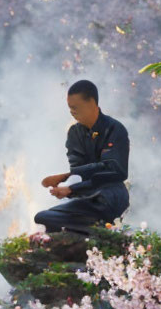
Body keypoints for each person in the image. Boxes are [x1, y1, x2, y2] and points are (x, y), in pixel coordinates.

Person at [33, 79, 130, 234]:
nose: (72, 112)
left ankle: (100, 231)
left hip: (110, 197)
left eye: (75, 108)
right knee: (43, 218)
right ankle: (95, 230)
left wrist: (68, 181)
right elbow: (79, 169)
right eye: (70, 108)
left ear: (92, 103)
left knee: (97, 209)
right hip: (87, 198)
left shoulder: (115, 129)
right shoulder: (75, 133)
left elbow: (115, 171)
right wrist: (66, 187)